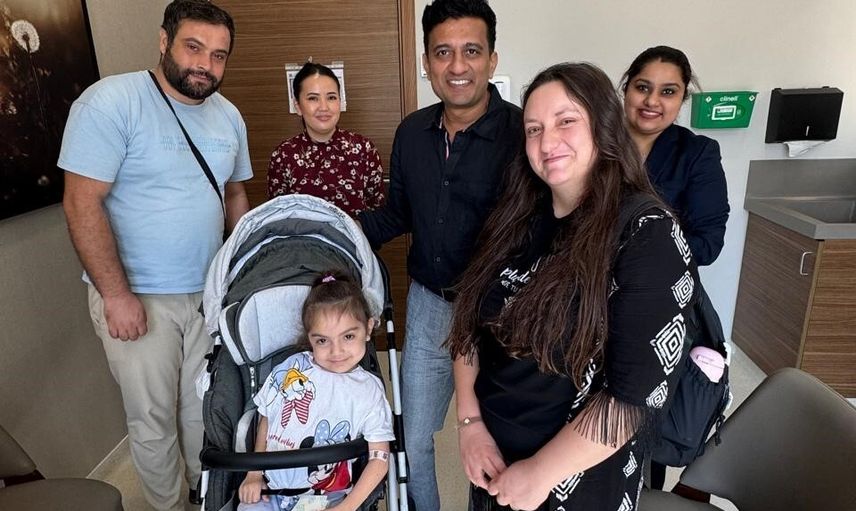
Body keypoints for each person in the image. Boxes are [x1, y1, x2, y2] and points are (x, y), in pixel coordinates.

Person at [446, 62, 696, 511]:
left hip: (576, 481)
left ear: (603, 126)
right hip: (492, 461)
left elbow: (633, 399)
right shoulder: (517, 218)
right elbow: (468, 326)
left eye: (566, 121)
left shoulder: (646, 232)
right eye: (534, 129)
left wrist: (541, 473)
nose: (547, 142)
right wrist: (470, 423)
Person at [59, 1, 252, 509]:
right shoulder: (111, 102)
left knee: (202, 407)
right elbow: (81, 202)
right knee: (152, 417)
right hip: (138, 296)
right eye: (194, 47)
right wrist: (115, 295)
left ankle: (203, 495)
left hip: (207, 294)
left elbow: (234, 193)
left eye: (218, 55)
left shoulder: (229, 115)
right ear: (164, 41)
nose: (205, 65)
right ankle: (168, 506)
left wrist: (241, 272)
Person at [357, 0, 523, 508]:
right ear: (426, 62)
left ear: (492, 59)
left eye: (471, 51)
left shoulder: (522, 134)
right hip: (430, 307)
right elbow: (398, 214)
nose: (457, 66)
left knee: (498, 440)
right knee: (414, 436)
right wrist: (338, 231)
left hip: (502, 314)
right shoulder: (412, 133)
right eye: (443, 52)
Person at [238, 272, 394, 511]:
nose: (336, 351)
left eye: (348, 336)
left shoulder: (369, 391)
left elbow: (379, 458)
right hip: (270, 489)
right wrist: (254, 473)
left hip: (325, 498)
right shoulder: (293, 367)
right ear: (309, 337)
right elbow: (267, 418)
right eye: (322, 341)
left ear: (368, 328)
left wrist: (347, 507)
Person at [619, 45, 729, 266]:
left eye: (668, 92)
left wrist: (628, 252)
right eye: (642, 87)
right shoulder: (592, 143)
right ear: (626, 89)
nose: (652, 101)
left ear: (683, 98)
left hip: (653, 279)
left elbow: (707, 244)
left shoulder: (697, 153)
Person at [267, 62, 384, 217]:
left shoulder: (364, 149)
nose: (324, 107)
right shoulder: (283, 155)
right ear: (298, 106)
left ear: (340, 102)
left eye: (331, 97)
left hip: (355, 233)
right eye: (313, 98)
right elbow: (278, 217)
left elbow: (377, 213)